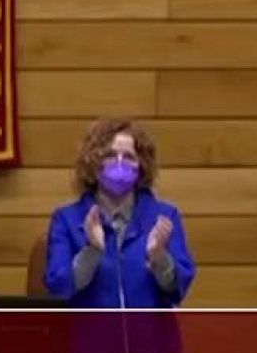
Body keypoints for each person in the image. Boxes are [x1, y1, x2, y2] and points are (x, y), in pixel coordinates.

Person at [43, 118, 196, 308]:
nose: (119, 163)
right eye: (110, 155)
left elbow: (177, 289)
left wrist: (159, 257)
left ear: (141, 166)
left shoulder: (164, 216)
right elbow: (58, 287)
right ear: (93, 162)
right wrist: (92, 252)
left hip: (150, 336)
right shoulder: (66, 219)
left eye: (129, 157)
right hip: (91, 335)